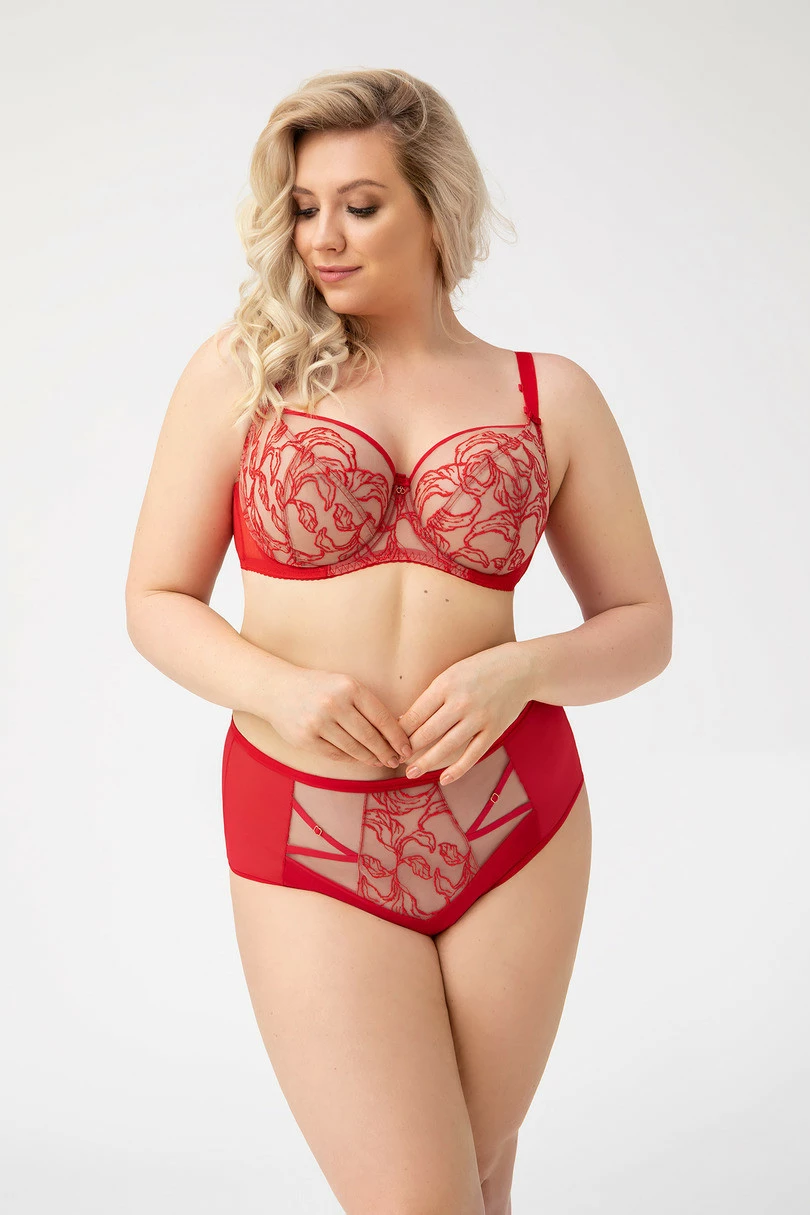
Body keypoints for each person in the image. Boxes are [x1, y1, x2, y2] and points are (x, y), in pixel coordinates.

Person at [125, 68, 672, 1215]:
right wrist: (280, 690)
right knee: (421, 1199)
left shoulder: (550, 396)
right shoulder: (244, 375)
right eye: (304, 207)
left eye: (360, 205)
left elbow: (643, 627)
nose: (322, 237)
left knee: (479, 1181)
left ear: (435, 208)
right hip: (307, 823)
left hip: (512, 819)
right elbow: (157, 600)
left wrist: (525, 667)